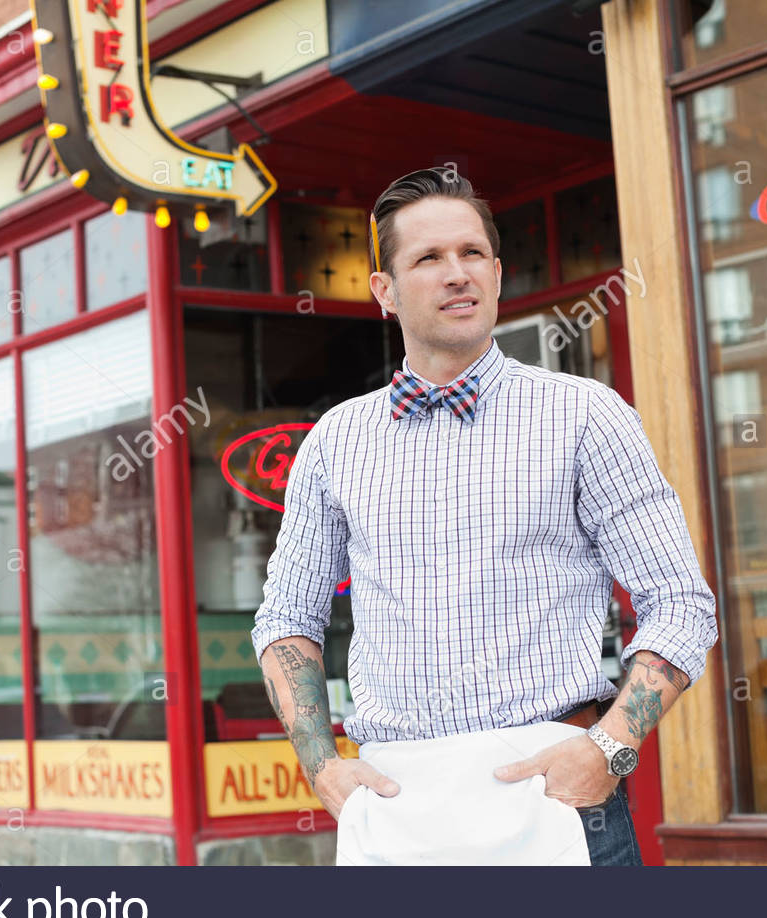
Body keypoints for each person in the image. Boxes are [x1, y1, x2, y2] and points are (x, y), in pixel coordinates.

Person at [252, 167, 719, 865]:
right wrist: (322, 765)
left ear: (498, 275)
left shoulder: (586, 417)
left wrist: (610, 749)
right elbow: (287, 619)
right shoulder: (335, 442)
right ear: (384, 290)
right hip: (395, 806)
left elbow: (682, 604)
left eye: (472, 254)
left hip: (555, 796)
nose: (457, 274)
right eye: (429, 258)